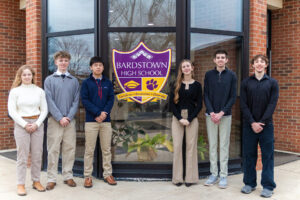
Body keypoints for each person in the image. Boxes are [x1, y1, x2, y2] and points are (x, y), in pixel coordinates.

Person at [240, 55, 279, 198]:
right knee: (249, 155)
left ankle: (268, 186)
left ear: (266, 65)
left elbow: (272, 104)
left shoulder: (273, 83)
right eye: (257, 62)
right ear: (252, 65)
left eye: (262, 62)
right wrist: (252, 122)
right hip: (248, 126)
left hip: (266, 126)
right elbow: (243, 104)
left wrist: (261, 122)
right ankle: (249, 183)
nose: (259, 64)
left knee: (267, 156)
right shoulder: (245, 83)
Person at [8, 65, 48, 196]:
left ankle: (36, 181)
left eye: (29, 74)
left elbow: (44, 110)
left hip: (37, 124)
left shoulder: (39, 91)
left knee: (37, 155)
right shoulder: (15, 91)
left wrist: (36, 124)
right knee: (22, 156)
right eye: (24, 75)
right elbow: (12, 111)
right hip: (21, 124)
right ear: (20, 76)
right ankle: (21, 184)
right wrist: (25, 124)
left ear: (32, 76)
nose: (26, 77)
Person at [44, 51, 80, 190]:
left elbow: (76, 101)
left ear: (68, 62)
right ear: (56, 62)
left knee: (69, 149)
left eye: (65, 60)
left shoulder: (74, 81)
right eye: (61, 60)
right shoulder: (49, 80)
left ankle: (68, 176)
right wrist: (60, 117)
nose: (63, 62)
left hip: (70, 121)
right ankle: (51, 178)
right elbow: (49, 100)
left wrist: (68, 117)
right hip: (54, 120)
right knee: (53, 149)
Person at [80, 56, 116, 187]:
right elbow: (85, 100)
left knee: (106, 149)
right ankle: (87, 176)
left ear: (103, 67)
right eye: (95, 65)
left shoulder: (107, 82)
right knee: (89, 150)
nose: (98, 67)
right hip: (91, 121)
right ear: (91, 67)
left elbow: (111, 100)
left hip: (105, 121)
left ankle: (108, 174)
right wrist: (97, 113)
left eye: (100, 65)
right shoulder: (86, 83)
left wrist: (104, 113)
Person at [204, 50, 237, 188]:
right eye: (218, 57)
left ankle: (223, 175)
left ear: (227, 60)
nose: (220, 60)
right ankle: (213, 174)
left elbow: (233, 96)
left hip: (225, 115)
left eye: (223, 57)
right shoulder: (208, 75)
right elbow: (205, 94)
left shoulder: (232, 75)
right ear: (214, 60)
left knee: (223, 146)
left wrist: (221, 113)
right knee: (212, 145)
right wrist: (212, 112)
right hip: (210, 116)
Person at [170, 59, 202, 187]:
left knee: (191, 147)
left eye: (188, 66)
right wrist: (180, 118)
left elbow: (199, 105)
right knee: (177, 147)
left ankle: (190, 178)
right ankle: (177, 178)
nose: (186, 68)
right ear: (181, 69)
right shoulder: (175, 84)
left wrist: (189, 119)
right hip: (177, 118)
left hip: (192, 118)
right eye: (184, 66)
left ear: (192, 68)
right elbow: (171, 105)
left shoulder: (197, 85)